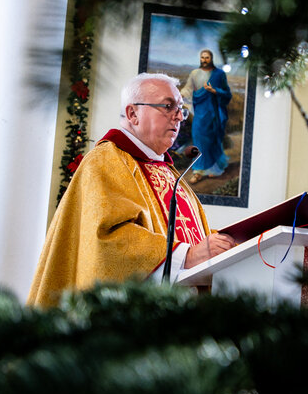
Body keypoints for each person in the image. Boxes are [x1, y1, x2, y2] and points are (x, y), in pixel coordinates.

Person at [27, 72, 237, 307]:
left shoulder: (170, 173)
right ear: (132, 113)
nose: (179, 117)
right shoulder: (106, 161)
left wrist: (229, 243)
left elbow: (190, 236)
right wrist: (186, 255)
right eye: (168, 106)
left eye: (181, 109)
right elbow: (106, 241)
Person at [180, 49, 232, 184]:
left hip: (212, 112)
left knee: (211, 140)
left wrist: (214, 90)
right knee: (198, 140)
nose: (204, 60)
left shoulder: (219, 74)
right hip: (199, 112)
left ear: (211, 58)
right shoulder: (195, 73)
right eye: (202, 57)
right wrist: (182, 94)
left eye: (207, 57)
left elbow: (227, 94)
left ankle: (213, 169)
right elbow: (188, 88)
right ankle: (198, 171)